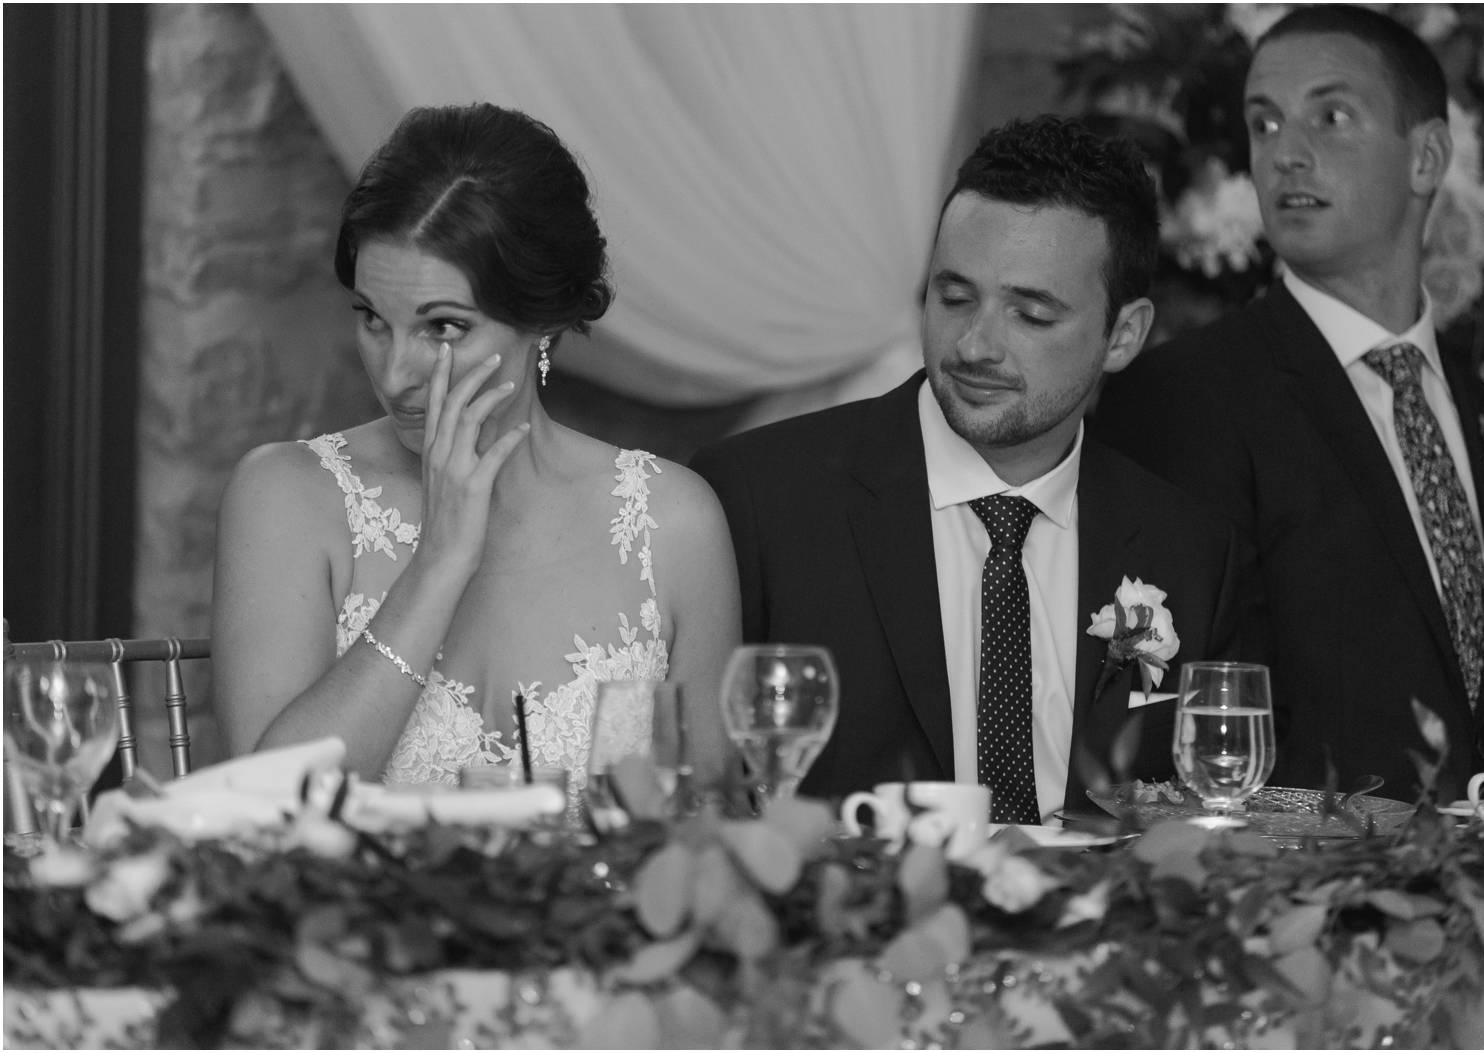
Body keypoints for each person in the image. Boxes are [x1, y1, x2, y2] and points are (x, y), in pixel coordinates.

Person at [692, 115, 1247, 822]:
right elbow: (695, 800)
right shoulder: (755, 501)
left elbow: (1212, 817)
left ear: (1125, 334)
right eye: (953, 297)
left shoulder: (1194, 552)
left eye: (1032, 315)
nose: (976, 344)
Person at [1094, 6, 1484, 801]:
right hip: (1286, 901)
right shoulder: (1179, 399)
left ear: (1426, 158)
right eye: (1265, 122)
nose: (1286, 152)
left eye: (1332, 115)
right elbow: (1149, 709)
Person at [211, 103, 740, 793]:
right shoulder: (285, 496)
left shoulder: (674, 524)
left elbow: (705, 843)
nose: (396, 372)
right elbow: (263, 806)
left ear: (543, 319)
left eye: (443, 327)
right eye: (373, 319)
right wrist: (436, 565)